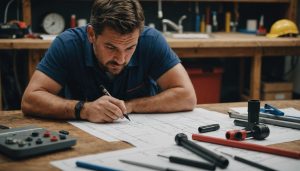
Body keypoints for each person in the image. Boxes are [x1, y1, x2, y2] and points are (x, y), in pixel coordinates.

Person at [21, 0, 196, 123]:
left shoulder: (151, 40)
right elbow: (30, 100)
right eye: (111, 47)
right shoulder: (68, 44)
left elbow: (187, 96)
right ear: (91, 34)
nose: (121, 59)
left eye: (130, 48)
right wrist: (84, 110)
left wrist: (130, 106)